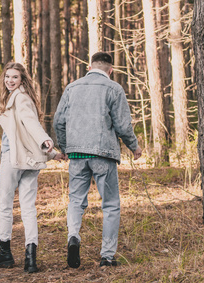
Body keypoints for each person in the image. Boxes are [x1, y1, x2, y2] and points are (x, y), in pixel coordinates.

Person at [53, 52, 142, 268]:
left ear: (90, 67)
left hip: (77, 155)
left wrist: (65, 148)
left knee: (76, 200)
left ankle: (73, 236)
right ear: (110, 70)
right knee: (110, 204)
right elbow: (122, 124)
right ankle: (107, 256)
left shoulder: (72, 88)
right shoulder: (114, 88)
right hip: (103, 153)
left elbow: (58, 122)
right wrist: (134, 146)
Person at [0, 62, 64, 273]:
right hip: (30, 161)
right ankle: (30, 258)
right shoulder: (21, 97)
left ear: (22, 80)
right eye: (7, 77)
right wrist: (51, 153)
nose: (10, 81)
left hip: (14, 158)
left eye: (15, 77)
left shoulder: (19, 99)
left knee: (5, 204)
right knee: (28, 207)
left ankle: (5, 253)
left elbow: (32, 125)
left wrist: (45, 140)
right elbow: (29, 131)